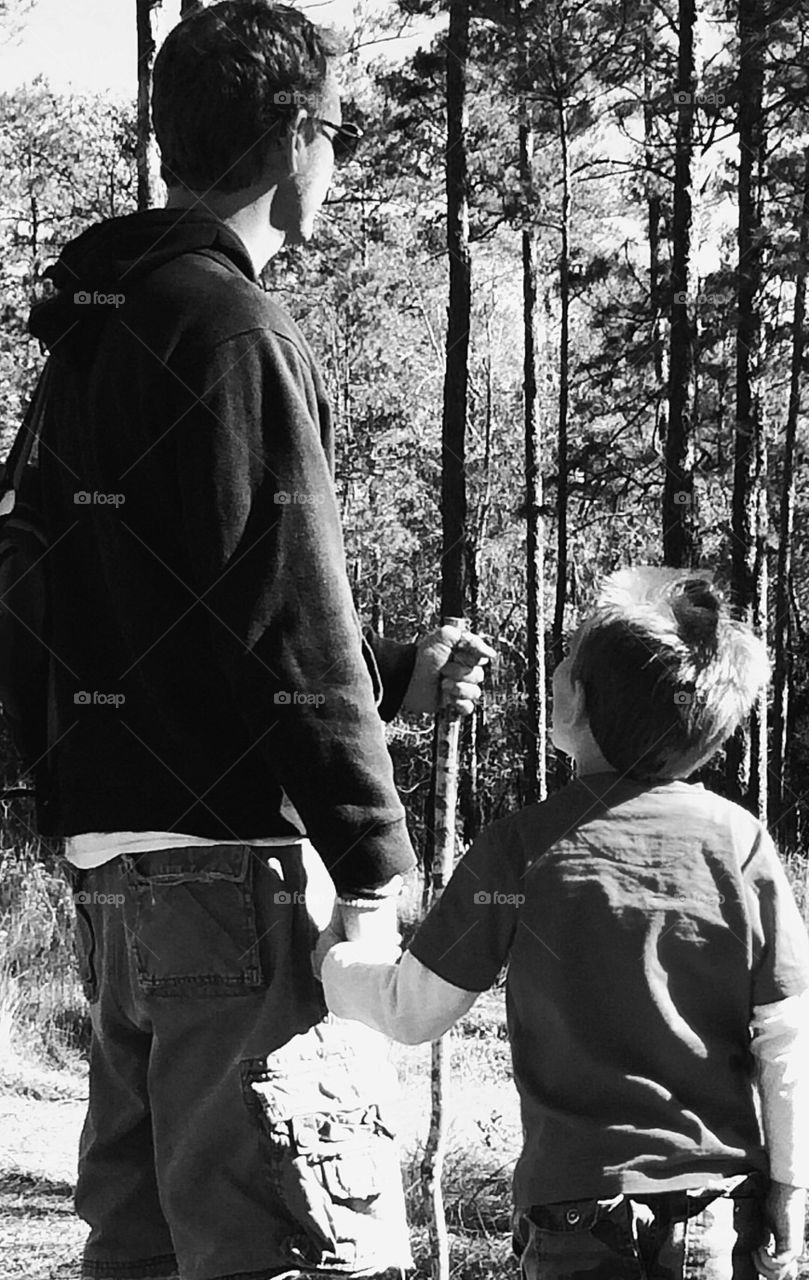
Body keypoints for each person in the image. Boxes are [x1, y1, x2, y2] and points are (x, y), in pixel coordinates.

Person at [28, 4, 491, 1279]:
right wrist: (377, 867)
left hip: (122, 878)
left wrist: (388, 672)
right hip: (235, 881)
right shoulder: (235, 331)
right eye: (338, 131)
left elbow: (157, 603)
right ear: (296, 139)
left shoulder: (94, 330)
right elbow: (281, 605)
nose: (336, 160)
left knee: (146, 1243)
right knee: (287, 1247)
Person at [321, 568, 809, 1280]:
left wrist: (333, 960)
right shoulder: (738, 842)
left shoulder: (520, 848)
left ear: (576, 699)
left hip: (576, 1212)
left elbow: (410, 1012)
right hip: (721, 1207)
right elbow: (788, 1030)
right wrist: (791, 1182)